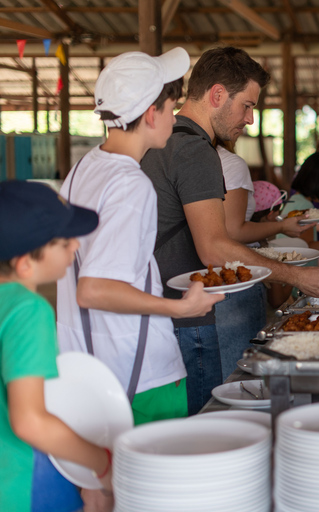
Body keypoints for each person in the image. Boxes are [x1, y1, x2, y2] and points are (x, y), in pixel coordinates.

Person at [141, 47, 319, 415]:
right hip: (188, 319)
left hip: (161, 312)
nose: (250, 119)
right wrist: (295, 275)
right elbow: (215, 248)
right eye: (246, 106)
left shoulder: (164, 141)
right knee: (208, 426)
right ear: (217, 95)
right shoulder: (195, 150)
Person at [58, 47, 222, 432]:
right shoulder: (131, 185)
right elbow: (94, 289)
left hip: (90, 372)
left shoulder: (84, 169)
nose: (175, 115)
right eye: (172, 106)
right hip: (139, 376)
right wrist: (180, 310)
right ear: (151, 114)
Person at [0, 181, 112, 512]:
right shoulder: (27, 310)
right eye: (63, 242)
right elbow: (30, 421)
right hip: (20, 485)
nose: (75, 246)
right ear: (24, 264)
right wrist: (101, 463)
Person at [215, 139, 308, 378]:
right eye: (246, 107)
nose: (249, 120)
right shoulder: (231, 163)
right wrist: (283, 227)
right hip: (237, 279)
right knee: (241, 371)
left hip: (219, 279)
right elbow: (234, 232)